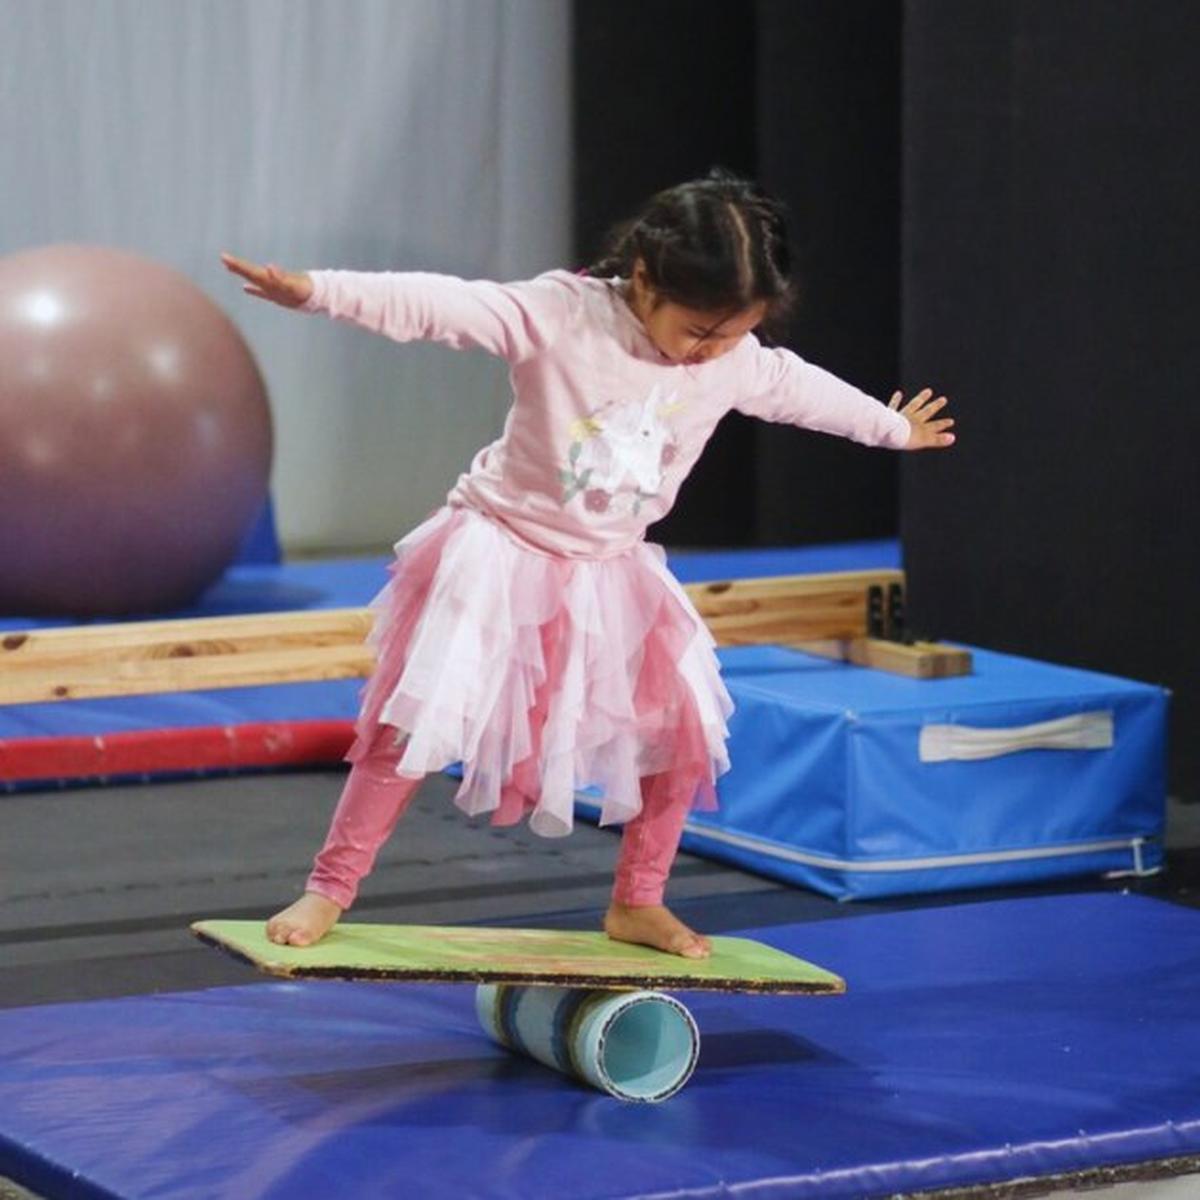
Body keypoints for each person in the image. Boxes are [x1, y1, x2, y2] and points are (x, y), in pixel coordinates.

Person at [221, 170, 955, 959]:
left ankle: (638, 900)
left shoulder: (735, 360)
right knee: (416, 722)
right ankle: (330, 887)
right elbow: (443, 306)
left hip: (611, 568)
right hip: (502, 548)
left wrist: (888, 428)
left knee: (684, 731)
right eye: (698, 330)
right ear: (644, 280)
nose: (709, 352)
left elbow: (797, 388)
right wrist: (316, 292)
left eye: (731, 335)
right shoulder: (562, 316)